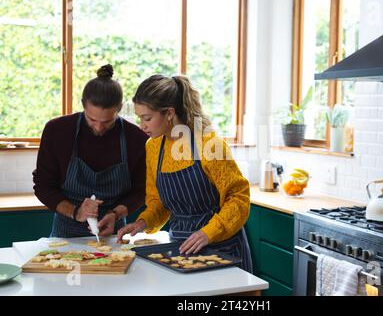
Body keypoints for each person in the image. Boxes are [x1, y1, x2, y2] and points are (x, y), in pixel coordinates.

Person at [117, 74, 252, 272]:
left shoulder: (208, 144)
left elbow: (238, 199)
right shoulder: (154, 147)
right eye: (140, 118)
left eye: (147, 118)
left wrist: (208, 233)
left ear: (169, 113)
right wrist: (141, 223)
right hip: (180, 247)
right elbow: (158, 203)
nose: (142, 125)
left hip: (222, 248)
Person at [33, 64, 148, 237]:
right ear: (83, 106)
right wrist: (76, 212)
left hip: (113, 231)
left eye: (108, 121)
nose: (99, 127)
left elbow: (140, 191)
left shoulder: (136, 138)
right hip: (66, 230)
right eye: (92, 119)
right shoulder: (57, 131)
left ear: (119, 108)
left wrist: (115, 214)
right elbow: (43, 185)